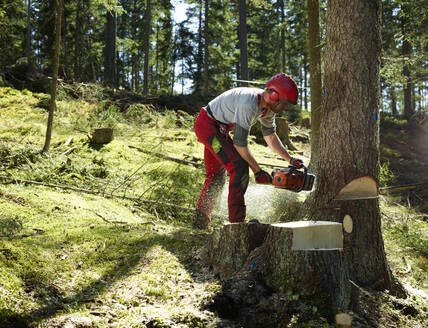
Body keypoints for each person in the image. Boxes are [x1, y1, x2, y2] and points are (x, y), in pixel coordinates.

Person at [193, 73, 304, 229]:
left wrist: (290, 159)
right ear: (273, 95)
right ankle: (236, 223)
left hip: (219, 130)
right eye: (284, 104)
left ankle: (200, 221)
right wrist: (257, 171)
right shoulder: (249, 103)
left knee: (217, 175)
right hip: (208, 128)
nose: (284, 108)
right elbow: (239, 143)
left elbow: (271, 137)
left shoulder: (268, 110)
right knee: (239, 168)